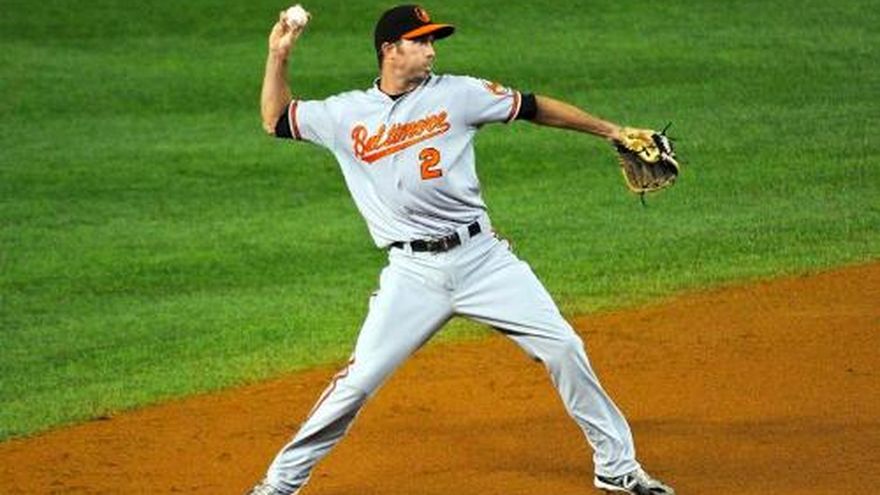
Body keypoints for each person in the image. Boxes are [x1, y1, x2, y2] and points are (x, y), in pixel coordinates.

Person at [249, 4, 675, 495]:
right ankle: (279, 485)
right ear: (390, 50)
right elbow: (276, 119)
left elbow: (533, 106)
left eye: (433, 41)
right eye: (421, 41)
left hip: (483, 260)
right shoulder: (345, 114)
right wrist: (278, 56)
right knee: (357, 383)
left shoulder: (459, 93)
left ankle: (617, 466)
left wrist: (613, 131)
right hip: (412, 273)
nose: (431, 51)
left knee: (563, 348)